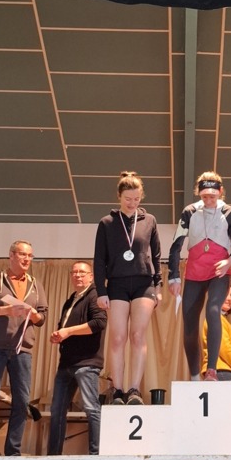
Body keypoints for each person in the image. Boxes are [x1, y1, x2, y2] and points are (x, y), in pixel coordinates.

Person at [0, 240, 47, 456]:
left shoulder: (36, 284)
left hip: (22, 349)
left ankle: (13, 453)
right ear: (11, 255)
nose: (27, 259)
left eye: (30, 256)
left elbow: (42, 318)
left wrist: (34, 315)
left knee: (22, 402)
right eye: (23, 254)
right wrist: (5, 310)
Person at [93, 171, 161, 405]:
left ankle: (134, 390)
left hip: (144, 283)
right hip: (117, 284)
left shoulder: (150, 221)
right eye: (128, 199)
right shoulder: (107, 223)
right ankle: (118, 390)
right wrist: (101, 291)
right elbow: (99, 260)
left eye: (136, 199)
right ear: (119, 197)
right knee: (118, 337)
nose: (132, 203)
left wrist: (158, 285)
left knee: (138, 335)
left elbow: (157, 254)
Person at [168, 171, 231, 380]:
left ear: (220, 192)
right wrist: (174, 277)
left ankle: (211, 370)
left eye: (213, 196)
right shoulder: (189, 212)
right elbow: (176, 246)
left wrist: (230, 260)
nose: (209, 200)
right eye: (204, 196)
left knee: (213, 310)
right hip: (195, 271)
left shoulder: (230, 213)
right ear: (198, 194)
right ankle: (194, 375)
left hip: (219, 270)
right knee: (189, 324)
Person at [48, 261, 107, 455]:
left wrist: (68, 331)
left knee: (91, 408)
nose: (78, 275)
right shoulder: (71, 299)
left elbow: (99, 322)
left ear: (91, 276)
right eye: (74, 272)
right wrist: (59, 335)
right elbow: (65, 328)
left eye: (82, 272)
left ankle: (95, 455)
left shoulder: (95, 295)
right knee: (57, 411)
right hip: (66, 363)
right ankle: (53, 456)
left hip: (87, 362)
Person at [201, 285, 231, 385]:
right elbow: (224, 348)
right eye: (226, 294)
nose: (229, 298)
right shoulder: (216, 319)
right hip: (221, 371)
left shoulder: (219, 319)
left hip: (222, 371)